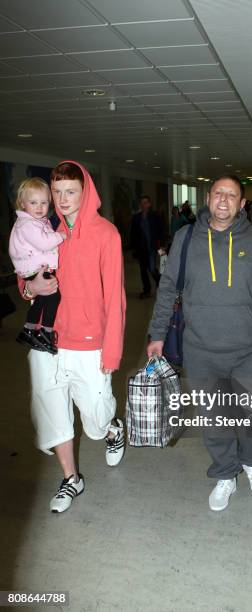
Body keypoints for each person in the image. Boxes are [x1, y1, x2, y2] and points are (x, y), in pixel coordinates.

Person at [147, 175, 252, 512]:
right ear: (208, 198)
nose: (224, 200)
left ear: (242, 204)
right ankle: (226, 474)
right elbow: (168, 289)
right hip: (200, 350)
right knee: (214, 418)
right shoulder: (185, 238)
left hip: (248, 350)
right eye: (218, 194)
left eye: (232, 195)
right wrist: (156, 334)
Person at [18, 161, 126, 513]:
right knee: (51, 410)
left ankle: (112, 429)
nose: (62, 200)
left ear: (86, 192)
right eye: (57, 192)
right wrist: (29, 286)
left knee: (95, 418)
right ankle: (71, 479)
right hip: (46, 341)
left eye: (70, 192)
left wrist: (111, 350)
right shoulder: (43, 230)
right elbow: (25, 269)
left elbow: (116, 297)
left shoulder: (106, 234)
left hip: (88, 341)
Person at [9, 177, 66, 354]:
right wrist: (61, 236)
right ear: (23, 204)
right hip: (33, 268)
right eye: (33, 202)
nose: (40, 207)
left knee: (42, 299)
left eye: (44, 202)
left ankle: (28, 330)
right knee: (53, 297)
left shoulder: (34, 222)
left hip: (32, 267)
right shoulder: (28, 224)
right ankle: (45, 333)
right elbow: (44, 243)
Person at [130, 195, 162, 299]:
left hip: (152, 248)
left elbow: (160, 232)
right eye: (142, 203)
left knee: (152, 269)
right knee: (143, 270)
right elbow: (133, 234)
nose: (144, 205)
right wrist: (134, 248)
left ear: (149, 204)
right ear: (140, 205)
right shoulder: (136, 218)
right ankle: (146, 290)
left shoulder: (155, 217)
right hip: (141, 249)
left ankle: (159, 281)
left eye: (146, 202)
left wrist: (161, 246)